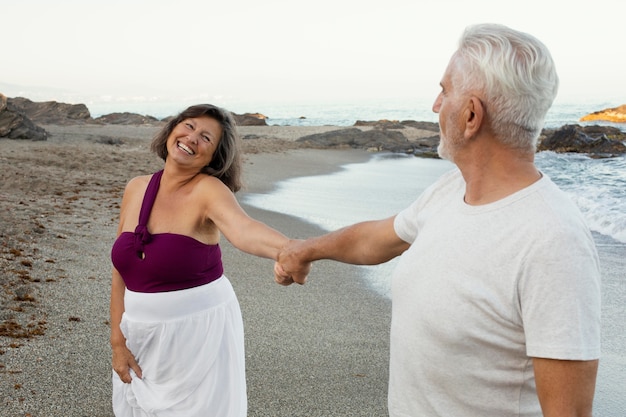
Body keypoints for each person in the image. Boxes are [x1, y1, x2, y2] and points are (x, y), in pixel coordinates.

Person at [275, 24, 601, 417]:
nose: (434, 104)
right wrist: (305, 250)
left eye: (445, 90)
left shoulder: (553, 241)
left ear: (470, 115)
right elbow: (378, 238)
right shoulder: (450, 190)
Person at [110, 104, 301, 416]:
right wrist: (118, 342)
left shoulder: (208, 190)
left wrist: (290, 249)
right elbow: (121, 271)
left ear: (215, 157)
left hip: (197, 335)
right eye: (188, 126)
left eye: (206, 138)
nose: (192, 138)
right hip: (140, 334)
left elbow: (244, 230)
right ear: (172, 129)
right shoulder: (136, 187)